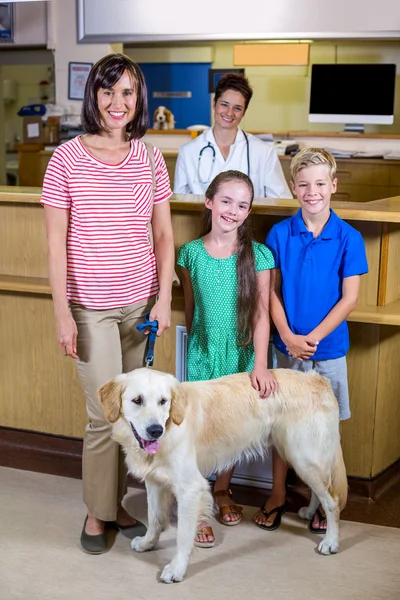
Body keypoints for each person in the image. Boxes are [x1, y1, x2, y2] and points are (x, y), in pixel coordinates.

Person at [41, 53, 175, 554]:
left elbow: (163, 235)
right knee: (104, 416)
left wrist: (163, 299)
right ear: (92, 95)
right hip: (90, 308)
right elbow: (56, 245)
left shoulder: (150, 157)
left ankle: (115, 504)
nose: (117, 103)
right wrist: (61, 313)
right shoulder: (66, 159)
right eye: (108, 91)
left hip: (141, 306)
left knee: (135, 414)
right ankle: (97, 515)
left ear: (138, 100)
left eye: (128, 93)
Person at [253, 148, 368, 533]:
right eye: (303, 184)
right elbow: (270, 291)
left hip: (329, 350)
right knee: (281, 425)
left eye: (320, 183)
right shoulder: (279, 234)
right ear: (293, 188)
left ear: (333, 186)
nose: (312, 191)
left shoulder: (349, 238)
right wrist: (287, 336)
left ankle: (324, 501)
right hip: (288, 348)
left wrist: (312, 339)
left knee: (326, 428)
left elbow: (349, 298)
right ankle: (277, 493)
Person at [177, 170, 277, 547]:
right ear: (209, 202)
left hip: (241, 355)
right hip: (203, 355)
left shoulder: (260, 255)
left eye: (242, 205)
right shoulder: (189, 254)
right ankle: (197, 503)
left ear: (249, 211)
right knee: (199, 433)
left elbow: (262, 315)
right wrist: (195, 349)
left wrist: (261, 364)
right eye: (226, 201)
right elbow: (190, 309)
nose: (233, 211)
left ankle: (222, 490)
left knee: (232, 430)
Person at [174, 72, 292, 199]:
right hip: (202, 219)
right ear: (214, 104)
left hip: (249, 219)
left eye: (237, 108)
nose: (229, 113)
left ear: (244, 112)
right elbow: (180, 202)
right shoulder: (188, 152)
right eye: (224, 104)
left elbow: (281, 202)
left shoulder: (263, 152)